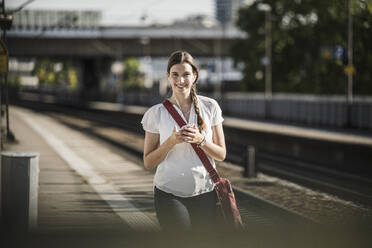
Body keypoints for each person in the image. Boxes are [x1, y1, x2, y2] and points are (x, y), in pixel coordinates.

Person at [141, 51, 226, 231]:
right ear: (168, 77)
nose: (181, 81)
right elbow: (148, 162)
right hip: (169, 193)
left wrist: (201, 140)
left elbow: (221, 154)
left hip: (205, 192)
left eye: (186, 74)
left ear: (195, 76)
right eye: (175, 75)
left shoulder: (210, 106)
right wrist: (170, 142)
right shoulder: (155, 113)